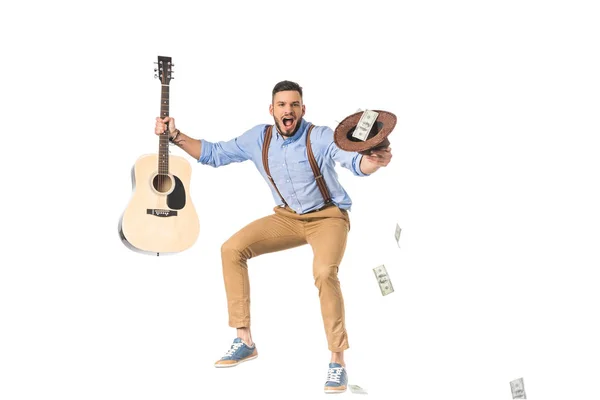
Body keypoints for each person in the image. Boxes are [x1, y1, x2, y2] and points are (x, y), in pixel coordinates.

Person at [154, 80, 392, 393]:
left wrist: (373, 162)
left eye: (294, 105)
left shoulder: (319, 136)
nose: (288, 110)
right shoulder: (259, 138)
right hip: (287, 218)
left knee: (324, 272)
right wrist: (174, 135)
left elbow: (354, 162)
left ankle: (337, 362)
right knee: (231, 249)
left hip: (328, 217)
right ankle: (244, 341)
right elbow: (214, 154)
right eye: (282, 105)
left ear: (303, 109)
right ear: (272, 110)